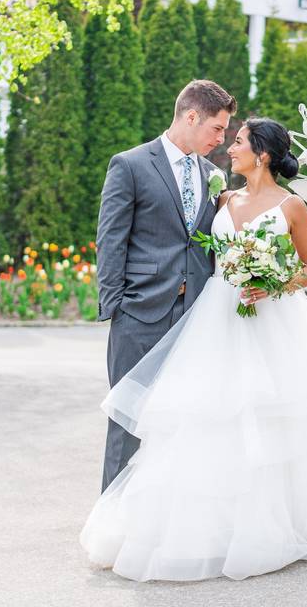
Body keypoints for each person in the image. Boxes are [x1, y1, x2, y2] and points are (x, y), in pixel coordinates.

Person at [80, 117, 307, 582]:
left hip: (271, 319)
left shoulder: (293, 206)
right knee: (206, 416)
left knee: (270, 419)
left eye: (238, 141)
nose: (229, 147)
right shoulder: (222, 197)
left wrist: (273, 281)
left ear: (261, 153)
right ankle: (200, 525)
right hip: (215, 316)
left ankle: (280, 521)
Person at [96, 80, 235, 492]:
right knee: (128, 424)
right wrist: (118, 308)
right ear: (191, 116)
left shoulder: (214, 175)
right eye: (217, 128)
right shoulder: (131, 165)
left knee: (186, 421)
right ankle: (113, 528)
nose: (222, 139)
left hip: (196, 320)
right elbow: (111, 239)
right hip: (140, 315)